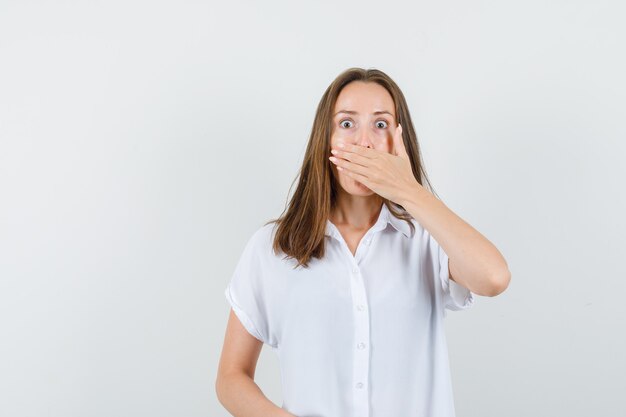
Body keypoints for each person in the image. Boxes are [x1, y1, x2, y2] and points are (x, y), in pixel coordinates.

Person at [215, 67, 511, 417]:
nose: (364, 142)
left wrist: (408, 190)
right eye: (347, 124)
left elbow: (493, 278)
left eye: (381, 124)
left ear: (400, 142)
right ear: (325, 139)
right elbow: (231, 378)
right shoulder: (272, 247)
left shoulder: (427, 239)